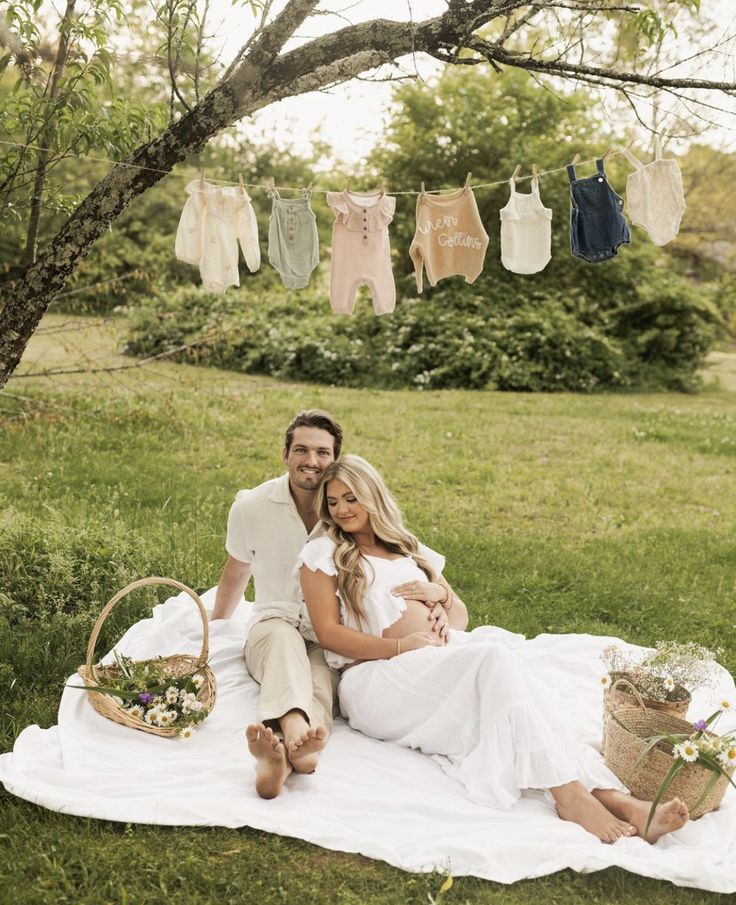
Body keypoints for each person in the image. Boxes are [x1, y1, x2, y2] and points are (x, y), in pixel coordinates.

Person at [298, 455, 690, 843]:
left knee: (521, 695)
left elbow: (461, 618)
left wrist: (440, 595)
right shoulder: (325, 554)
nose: (342, 510)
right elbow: (328, 633)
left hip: (434, 664)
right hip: (375, 677)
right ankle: (569, 797)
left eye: (351, 498)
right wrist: (400, 645)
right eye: (333, 503)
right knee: (493, 659)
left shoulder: (407, 547)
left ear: (373, 496)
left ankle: (613, 799)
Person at [210, 412, 451, 798]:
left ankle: (288, 759)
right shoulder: (252, 506)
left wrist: (440, 595)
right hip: (276, 620)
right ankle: (293, 731)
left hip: (331, 636)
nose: (312, 460)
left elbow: (417, 563)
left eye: (323, 452)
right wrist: (217, 623)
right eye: (302, 449)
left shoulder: (348, 512)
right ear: (285, 453)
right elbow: (237, 567)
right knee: (284, 647)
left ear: (335, 457)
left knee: (323, 680)